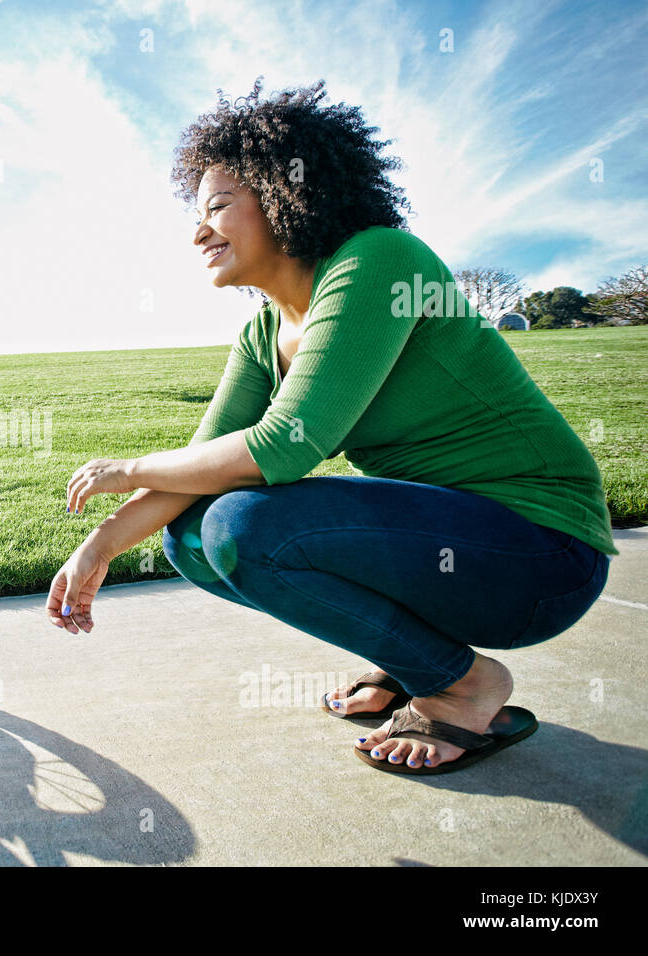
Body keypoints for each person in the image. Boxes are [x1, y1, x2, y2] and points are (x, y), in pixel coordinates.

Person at [44, 79, 617, 775]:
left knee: (244, 526)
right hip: (457, 555)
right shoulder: (263, 332)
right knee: (191, 538)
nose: (198, 232)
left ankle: (464, 686)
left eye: (219, 206)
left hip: (542, 556)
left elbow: (285, 445)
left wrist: (129, 469)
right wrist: (98, 548)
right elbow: (202, 465)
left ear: (288, 195)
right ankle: (417, 662)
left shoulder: (378, 260)